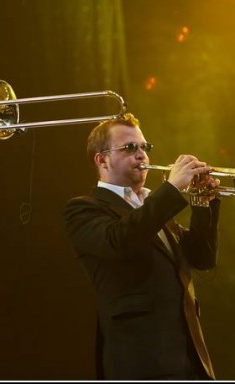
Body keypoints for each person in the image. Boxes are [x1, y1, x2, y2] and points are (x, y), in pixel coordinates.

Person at [63, 113, 222, 380]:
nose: (142, 155)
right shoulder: (84, 209)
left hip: (190, 361)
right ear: (102, 159)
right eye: (130, 148)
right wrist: (171, 188)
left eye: (144, 147)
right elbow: (120, 240)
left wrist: (203, 203)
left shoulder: (154, 209)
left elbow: (202, 258)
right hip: (140, 363)